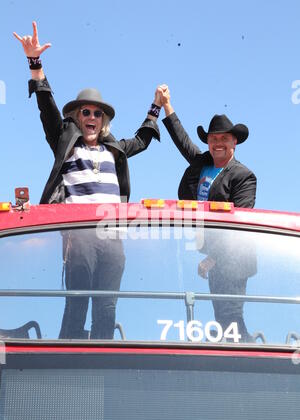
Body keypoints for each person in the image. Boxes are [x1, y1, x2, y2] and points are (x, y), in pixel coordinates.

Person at [14, 22, 161, 340]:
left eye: (97, 113)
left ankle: (103, 368)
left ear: (103, 120)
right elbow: (47, 109)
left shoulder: (115, 150)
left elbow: (143, 138)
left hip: (111, 235)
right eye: (85, 112)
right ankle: (68, 363)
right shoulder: (65, 143)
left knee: (107, 307)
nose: (91, 117)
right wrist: (35, 63)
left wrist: (156, 107)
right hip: (79, 233)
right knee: (77, 302)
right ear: (77, 118)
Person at [158, 85, 257, 342]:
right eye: (213, 139)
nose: (218, 143)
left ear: (234, 142)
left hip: (234, 259)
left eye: (224, 138)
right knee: (221, 316)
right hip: (213, 257)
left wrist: (213, 257)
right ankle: (232, 357)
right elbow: (182, 141)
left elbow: (240, 224)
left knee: (231, 316)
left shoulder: (243, 176)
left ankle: (246, 359)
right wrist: (167, 105)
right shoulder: (202, 164)